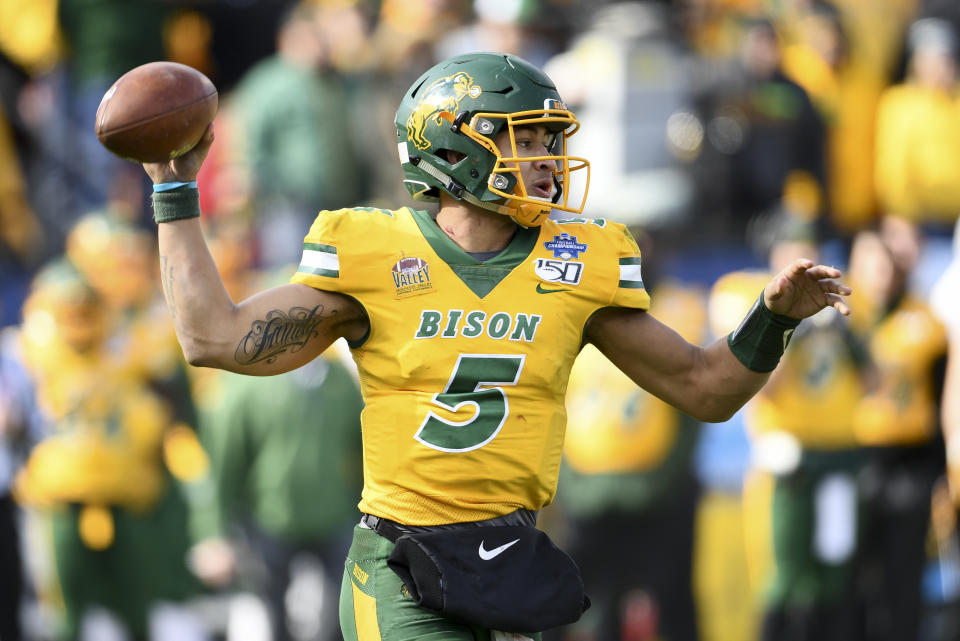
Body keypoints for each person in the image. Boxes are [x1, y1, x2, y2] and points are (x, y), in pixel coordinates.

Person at [140, 52, 851, 639]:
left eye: (549, 139)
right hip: (401, 562)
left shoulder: (577, 261)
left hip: (509, 560)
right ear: (453, 146)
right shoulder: (371, 252)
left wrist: (773, 318)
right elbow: (214, 337)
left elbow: (706, 387)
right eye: (525, 137)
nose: (547, 157)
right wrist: (175, 193)